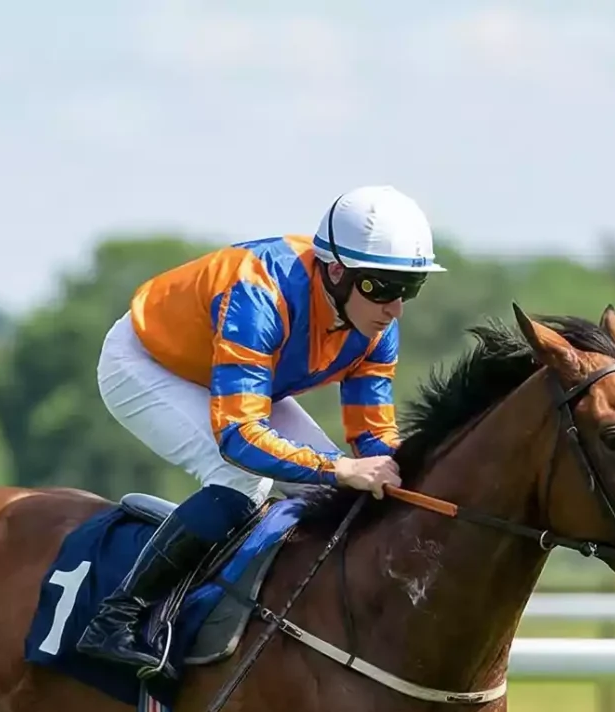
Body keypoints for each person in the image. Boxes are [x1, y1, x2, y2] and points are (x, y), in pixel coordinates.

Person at [76, 185, 440, 679]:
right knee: (243, 478)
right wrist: (340, 468)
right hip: (146, 363)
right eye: (382, 287)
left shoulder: (377, 325)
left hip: (234, 378)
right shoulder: (257, 292)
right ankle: (117, 616)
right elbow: (240, 438)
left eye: (409, 289)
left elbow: (374, 441)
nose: (394, 308)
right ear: (336, 271)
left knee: (343, 488)